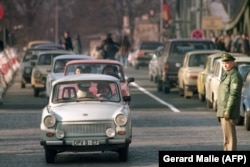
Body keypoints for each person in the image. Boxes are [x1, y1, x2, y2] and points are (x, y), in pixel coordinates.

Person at [217, 53, 243, 151]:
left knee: (230, 139)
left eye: (227, 62)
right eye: (223, 63)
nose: (225, 65)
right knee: (227, 138)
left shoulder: (234, 76)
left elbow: (234, 95)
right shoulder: (227, 75)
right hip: (223, 110)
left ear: (233, 63)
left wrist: (227, 110)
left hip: (228, 112)